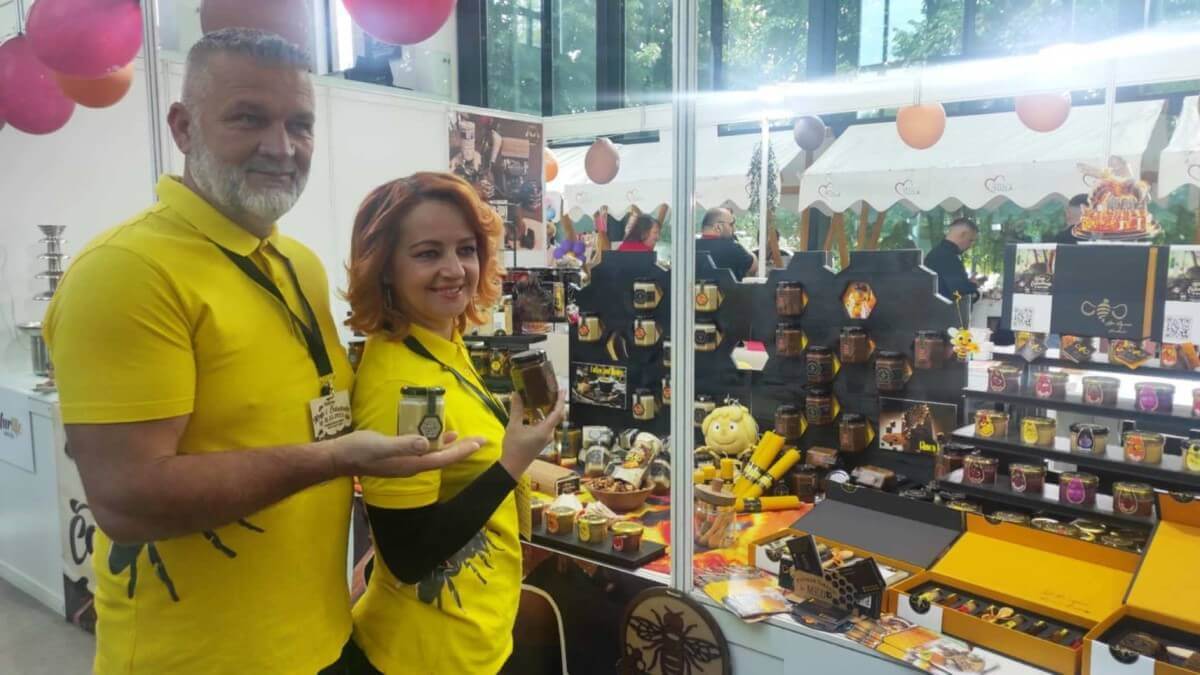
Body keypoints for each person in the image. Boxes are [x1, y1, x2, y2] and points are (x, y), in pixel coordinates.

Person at [42, 30, 479, 674]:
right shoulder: (127, 272)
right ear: (183, 127)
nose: (281, 147)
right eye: (248, 118)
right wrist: (335, 458)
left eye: (299, 124)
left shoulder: (296, 262)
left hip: (321, 639)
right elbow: (127, 500)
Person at [344, 172, 566, 674]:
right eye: (428, 253)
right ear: (384, 268)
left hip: (468, 641)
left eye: (465, 249)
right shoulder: (404, 380)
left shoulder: (439, 341)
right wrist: (511, 464)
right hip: (425, 657)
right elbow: (408, 554)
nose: (454, 269)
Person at [924, 217, 983, 301]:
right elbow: (959, 292)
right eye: (970, 240)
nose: (970, 246)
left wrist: (967, 283)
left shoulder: (940, 253)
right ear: (963, 234)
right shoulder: (946, 256)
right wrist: (973, 285)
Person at [697, 207, 757, 279]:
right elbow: (753, 268)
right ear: (718, 227)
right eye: (731, 224)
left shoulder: (691, 248)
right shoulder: (734, 248)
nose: (734, 229)